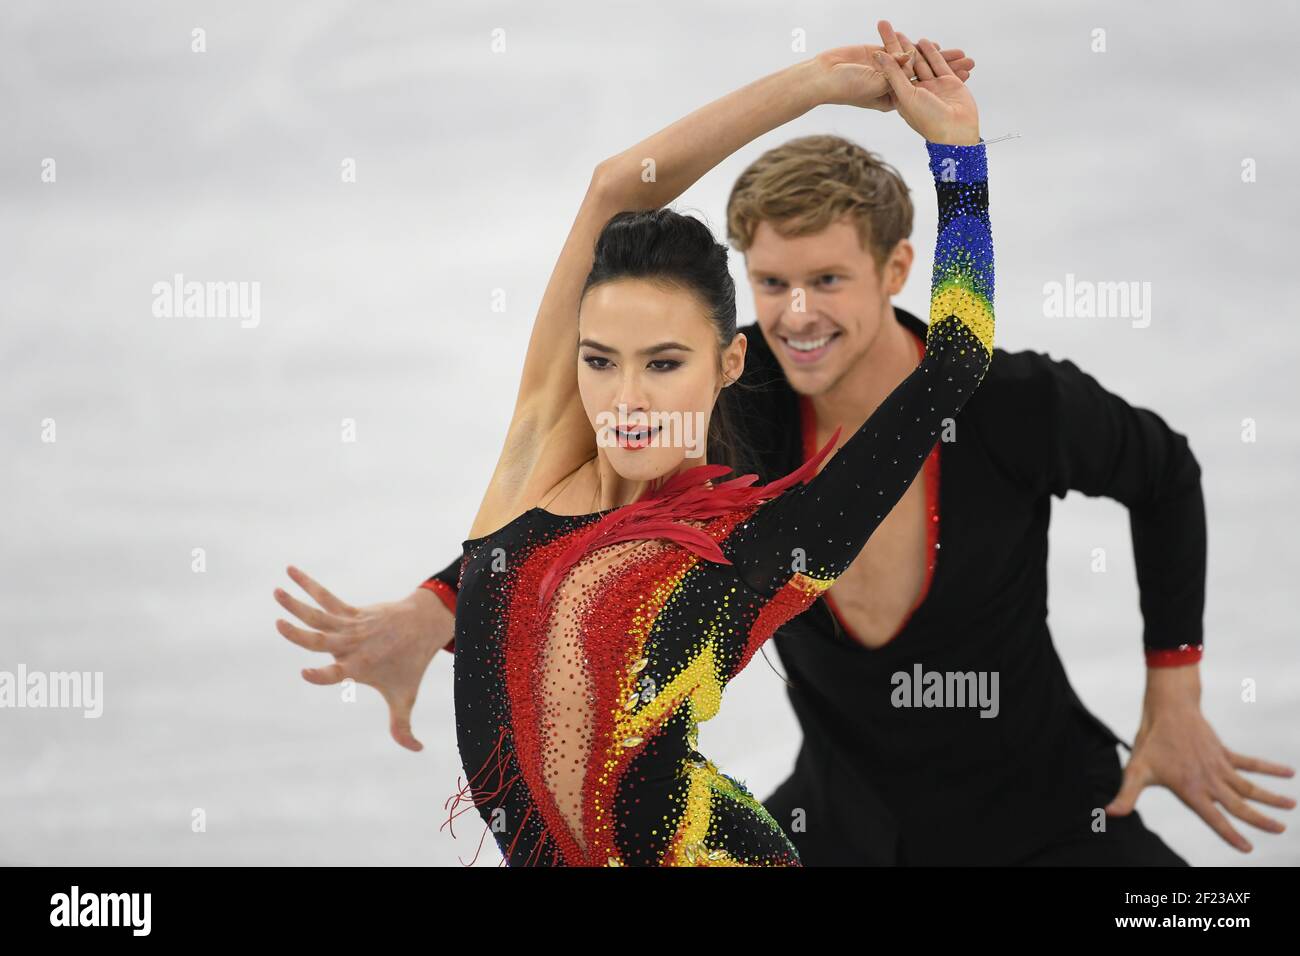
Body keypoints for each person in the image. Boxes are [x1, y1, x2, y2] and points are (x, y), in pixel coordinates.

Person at [276, 26, 993, 866]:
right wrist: (817, 82)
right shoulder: (535, 470)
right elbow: (615, 190)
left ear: (729, 362)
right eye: (600, 361)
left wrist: (960, 155)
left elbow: (955, 362)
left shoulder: (756, 551)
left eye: (664, 363)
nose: (627, 398)